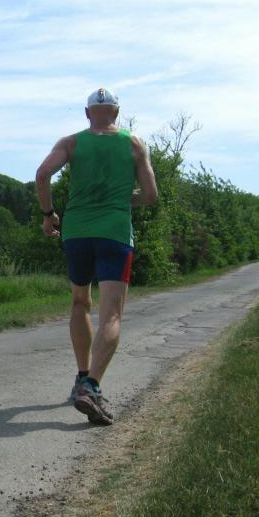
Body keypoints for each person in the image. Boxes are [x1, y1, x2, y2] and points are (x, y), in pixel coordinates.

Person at [34, 88, 158, 425]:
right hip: (114, 233)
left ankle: (81, 375)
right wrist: (123, 199)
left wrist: (48, 214)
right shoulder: (134, 144)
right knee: (111, 314)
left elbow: (42, 174)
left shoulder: (71, 143)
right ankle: (91, 387)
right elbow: (151, 195)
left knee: (79, 302)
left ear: (88, 113)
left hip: (76, 232)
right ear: (116, 112)